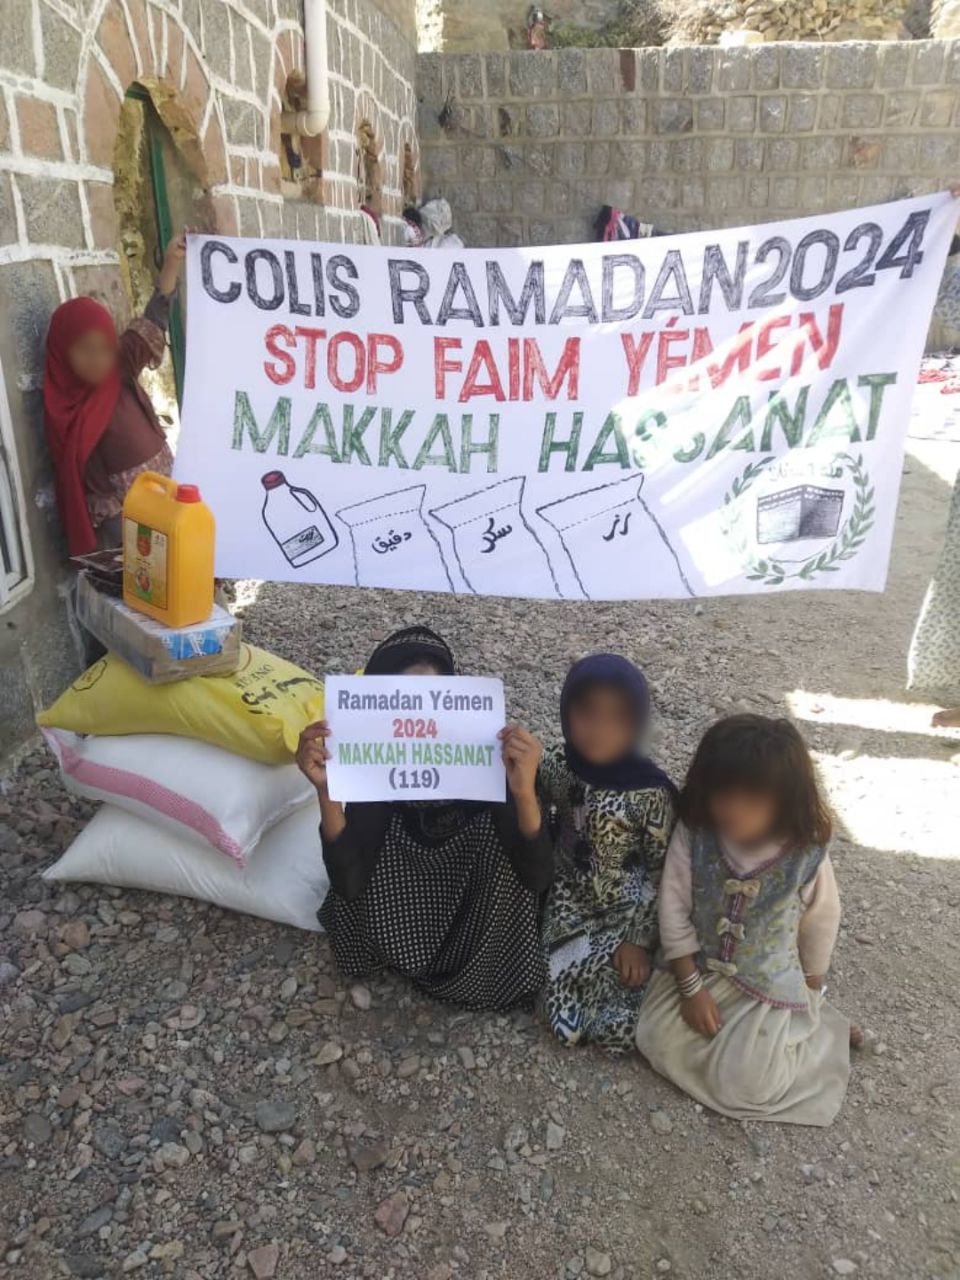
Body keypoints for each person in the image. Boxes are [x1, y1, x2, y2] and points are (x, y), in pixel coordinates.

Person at [296, 626, 553, 1010]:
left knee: (504, 829)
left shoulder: (489, 763)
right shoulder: (376, 773)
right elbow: (349, 883)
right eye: (403, 702)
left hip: (477, 935)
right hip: (395, 921)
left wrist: (524, 792)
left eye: (432, 700)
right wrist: (327, 792)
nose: (418, 721)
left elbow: (537, 876)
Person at [635, 715, 853, 1127]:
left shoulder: (804, 852)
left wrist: (812, 988)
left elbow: (822, 919)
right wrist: (690, 989)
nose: (733, 810)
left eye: (753, 801)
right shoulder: (695, 832)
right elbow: (673, 907)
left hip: (764, 984)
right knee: (654, 1038)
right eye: (723, 794)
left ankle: (822, 1031)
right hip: (697, 969)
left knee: (747, 1083)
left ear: (786, 800)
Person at [538, 654, 677, 1051]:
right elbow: (524, 790)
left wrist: (638, 940)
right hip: (569, 906)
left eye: (618, 719)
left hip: (625, 913)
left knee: (615, 1026)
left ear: (637, 724)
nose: (600, 729)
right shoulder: (558, 764)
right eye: (587, 713)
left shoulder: (650, 793)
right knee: (564, 1023)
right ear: (566, 711)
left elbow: (662, 871)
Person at [43, 232, 187, 555]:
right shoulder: (69, 417)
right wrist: (138, 547)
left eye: (104, 347)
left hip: (169, 489)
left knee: (193, 559)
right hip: (139, 525)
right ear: (61, 353)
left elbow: (154, 319)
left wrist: (172, 263)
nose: (97, 359)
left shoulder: (118, 366)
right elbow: (100, 498)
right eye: (84, 349)